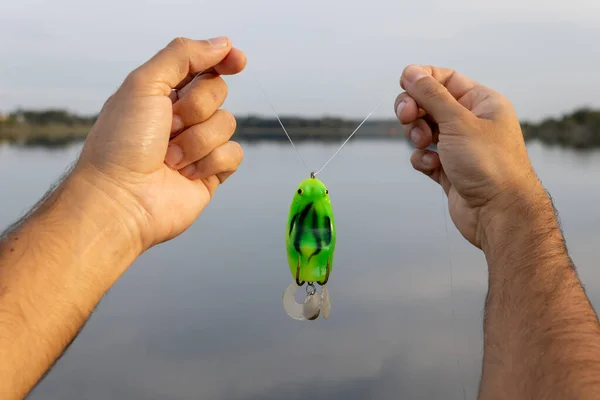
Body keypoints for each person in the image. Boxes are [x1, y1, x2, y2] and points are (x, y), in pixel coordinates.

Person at [0, 36, 599, 399]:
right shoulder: (315, 237)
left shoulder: (306, 235)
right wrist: (513, 211)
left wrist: (109, 199)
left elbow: (310, 242)